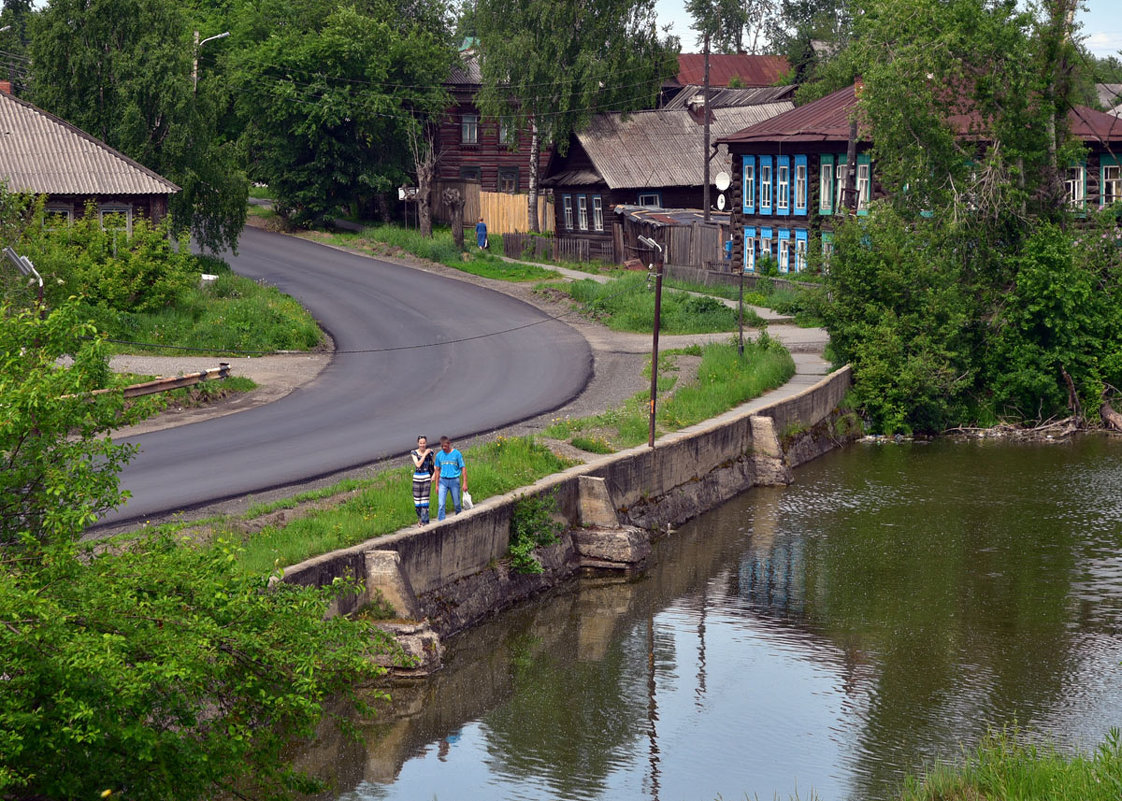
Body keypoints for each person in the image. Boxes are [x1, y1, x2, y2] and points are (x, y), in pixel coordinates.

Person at [432, 435, 467, 521]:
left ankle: (459, 518)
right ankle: (441, 521)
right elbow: (437, 470)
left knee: (456, 503)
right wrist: (436, 485)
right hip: (443, 481)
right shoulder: (439, 455)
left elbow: (463, 468)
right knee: (441, 504)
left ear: (449, 444)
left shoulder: (457, 454)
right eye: (442, 446)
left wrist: (465, 483)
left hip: (454, 480)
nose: (444, 448)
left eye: (445, 446)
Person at [410, 435, 435, 525]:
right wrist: (424, 454)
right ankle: (420, 520)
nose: (422, 445)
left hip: (426, 478)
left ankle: (425, 522)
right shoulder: (414, 453)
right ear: (418, 443)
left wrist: (434, 475)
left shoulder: (430, 453)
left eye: (424, 443)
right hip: (417, 478)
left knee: (425, 502)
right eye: (421, 443)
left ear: (426, 443)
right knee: (417, 502)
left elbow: (435, 465)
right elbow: (418, 464)